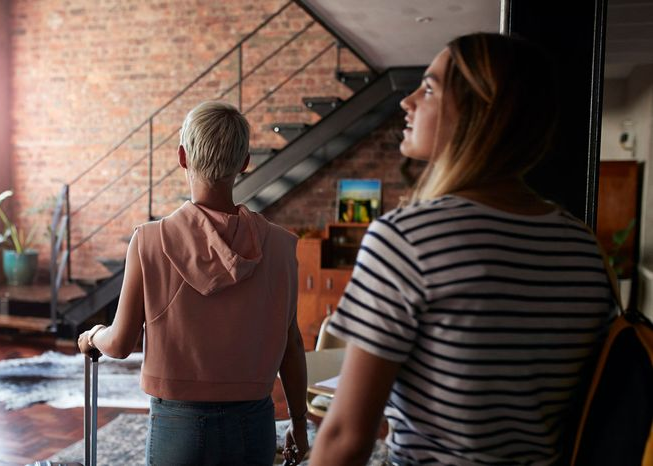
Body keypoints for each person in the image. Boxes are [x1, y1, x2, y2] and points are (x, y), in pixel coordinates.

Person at [310, 33, 615, 465]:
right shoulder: (582, 246)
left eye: (430, 88)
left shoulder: (405, 239)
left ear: (481, 113)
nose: (407, 101)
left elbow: (344, 438)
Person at [77, 101, 309, 465]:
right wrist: (298, 420)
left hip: (178, 423)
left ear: (183, 157)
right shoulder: (281, 246)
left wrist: (92, 336)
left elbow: (120, 343)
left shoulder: (148, 241)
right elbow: (291, 344)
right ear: (245, 162)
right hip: (254, 423)